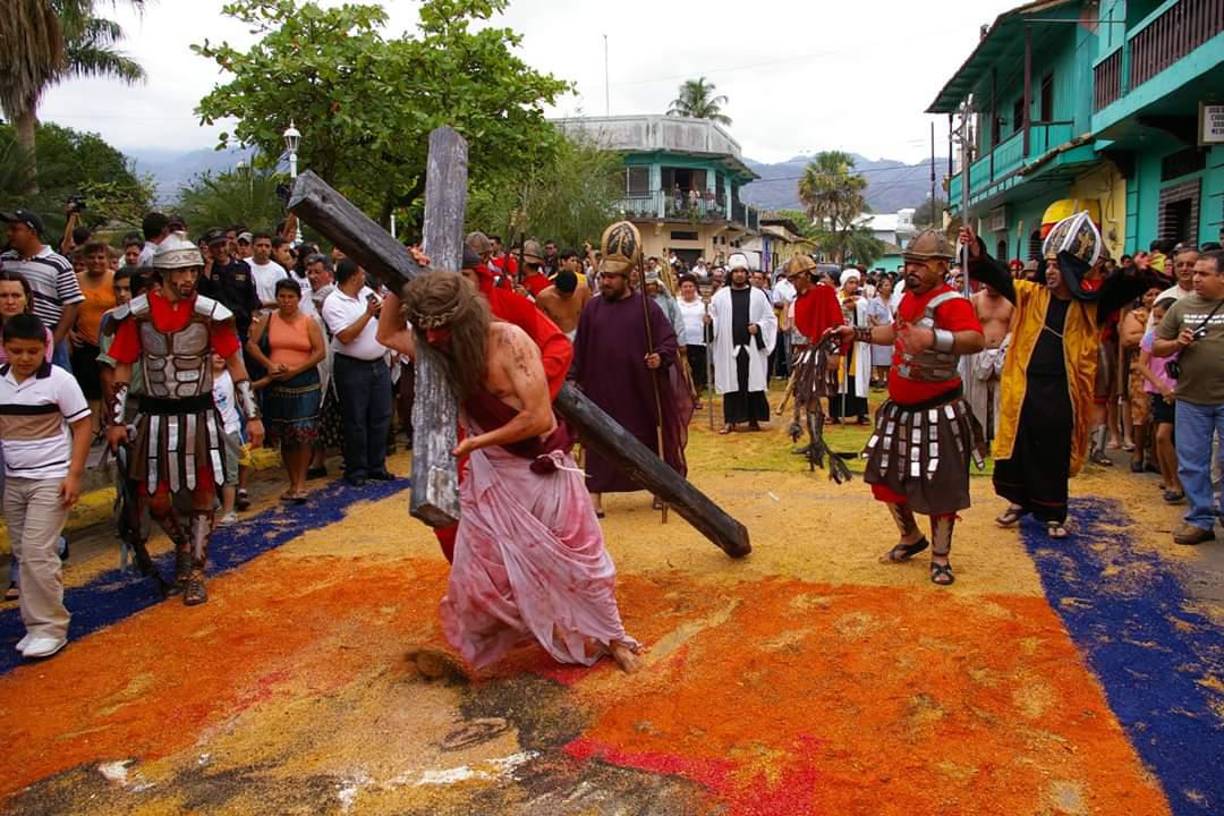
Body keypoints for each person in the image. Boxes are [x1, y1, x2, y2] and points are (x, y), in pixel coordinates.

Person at [398, 271, 639, 672]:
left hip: (541, 470)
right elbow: (388, 335)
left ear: (465, 319)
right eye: (427, 330)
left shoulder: (509, 341)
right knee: (480, 571)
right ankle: (473, 650)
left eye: (441, 329)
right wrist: (404, 279)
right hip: (492, 480)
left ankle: (613, 636)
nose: (434, 338)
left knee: (585, 564)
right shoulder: (445, 347)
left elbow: (538, 417)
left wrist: (477, 442)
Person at [964, 213, 1155, 539]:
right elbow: (997, 275)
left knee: (1052, 447)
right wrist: (978, 252)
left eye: (1056, 267)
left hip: (1063, 391)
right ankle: (1017, 503)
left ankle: (1053, 512)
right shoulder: (1028, 294)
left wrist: (1134, 272)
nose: (1050, 272)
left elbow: (1119, 289)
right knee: (1020, 445)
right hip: (1024, 386)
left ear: (1072, 271)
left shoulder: (1091, 305)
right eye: (1048, 266)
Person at [104, 234, 265, 605]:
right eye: (180, 270)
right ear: (162, 273)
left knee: (203, 495)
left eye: (192, 269)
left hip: (199, 413)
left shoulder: (212, 313)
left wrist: (251, 416)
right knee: (155, 500)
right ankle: (180, 544)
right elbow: (123, 369)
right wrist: (114, 421)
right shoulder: (137, 315)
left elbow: (238, 368)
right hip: (154, 416)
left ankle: (196, 569)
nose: (188, 277)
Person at [826, 229, 985, 585]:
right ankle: (911, 537)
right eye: (907, 263)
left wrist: (933, 338)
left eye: (919, 264)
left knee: (941, 485)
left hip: (938, 411)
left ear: (942, 267)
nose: (910, 270)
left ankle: (941, 556)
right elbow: (894, 333)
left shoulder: (952, 302)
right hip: (899, 410)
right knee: (886, 478)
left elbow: (976, 339)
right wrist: (858, 334)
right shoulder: (908, 300)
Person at [573, 222, 690, 516]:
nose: (605, 282)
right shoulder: (592, 309)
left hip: (638, 390)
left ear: (627, 279)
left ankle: (660, 488)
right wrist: (574, 377)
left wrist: (659, 358)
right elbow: (580, 347)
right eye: (603, 276)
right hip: (600, 390)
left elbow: (668, 341)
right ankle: (595, 497)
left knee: (646, 440)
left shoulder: (647, 309)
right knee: (597, 442)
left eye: (611, 277)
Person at [0, 314, 91, 658]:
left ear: (45, 349)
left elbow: (82, 425)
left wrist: (74, 474)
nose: (24, 358)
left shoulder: (59, 381)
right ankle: (34, 622)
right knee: (24, 552)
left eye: (32, 352)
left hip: (50, 477)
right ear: (5, 349)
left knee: (39, 551)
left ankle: (50, 626)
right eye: (17, 351)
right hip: (15, 477)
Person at [1152, 250, 1224, 546]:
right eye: (1195, 272)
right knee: (1192, 461)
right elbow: (1155, 346)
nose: (1195, 278)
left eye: (1204, 273)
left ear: (1222, 277)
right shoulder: (1180, 308)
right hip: (1191, 399)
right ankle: (1200, 519)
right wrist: (1174, 343)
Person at [247, 278, 326, 501]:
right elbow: (251, 345)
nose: (286, 301)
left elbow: (319, 352)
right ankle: (292, 482)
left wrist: (296, 369)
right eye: (282, 296)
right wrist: (269, 365)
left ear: (298, 299)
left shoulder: (309, 321)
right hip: (277, 382)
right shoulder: (268, 319)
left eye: (290, 297)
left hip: (305, 383)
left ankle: (301, 483)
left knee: (302, 433)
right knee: (285, 434)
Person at [321, 258, 393, 486]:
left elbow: (385, 314)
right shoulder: (333, 303)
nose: (364, 276)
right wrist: (368, 314)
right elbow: (345, 336)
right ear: (352, 276)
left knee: (381, 416)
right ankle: (356, 469)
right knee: (355, 419)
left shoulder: (367, 293)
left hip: (378, 363)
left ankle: (377, 465)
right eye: (361, 272)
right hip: (351, 366)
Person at [0, 209, 83, 372]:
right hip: (11, 339)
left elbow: (72, 303)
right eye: (8, 229)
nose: (9, 234)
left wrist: (54, 339)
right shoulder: (5, 260)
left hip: (46, 336)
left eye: (15, 229)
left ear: (32, 232)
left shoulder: (58, 263)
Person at [709, 253, 776, 433]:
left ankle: (753, 419)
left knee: (752, 382)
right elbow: (713, 318)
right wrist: (710, 323)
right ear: (731, 274)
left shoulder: (758, 295)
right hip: (729, 348)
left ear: (747, 274)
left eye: (742, 271)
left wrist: (759, 327)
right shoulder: (720, 296)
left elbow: (770, 319)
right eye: (736, 271)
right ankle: (730, 420)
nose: (739, 274)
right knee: (731, 383)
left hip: (751, 347)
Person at [1137, 297, 1182, 505]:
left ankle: (1177, 481)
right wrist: (1160, 385)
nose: (1156, 321)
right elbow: (1142, 364)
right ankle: (1171, 481)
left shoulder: (1183, 335)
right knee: (1161, 436)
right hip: (1159, 390)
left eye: (1161, 317)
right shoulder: (1151, 336)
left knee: (1173, 438)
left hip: (1181, 391)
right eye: (1155, 317)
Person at [69, 241, 116, 438]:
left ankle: (111, 421)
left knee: (111, 383)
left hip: (111, 340)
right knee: (89, 387)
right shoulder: (76, 279)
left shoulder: (115, 279)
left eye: (100, 257)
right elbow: (68, 307)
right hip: (85, 340)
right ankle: (94, 428)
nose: (96, 261)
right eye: (91, 257)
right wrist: (69, 332)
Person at [963, 281, 1013, 444]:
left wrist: (1003, 349)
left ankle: (1000, 438)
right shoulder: (975, 300)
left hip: (1003, 353)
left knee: (1002, 399)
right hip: (979, 354)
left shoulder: (1011, 302)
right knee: (976, 398)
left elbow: (1013, 330)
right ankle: (978, 439)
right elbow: (969, 326)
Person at [831, 269, 870, 424]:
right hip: (840, 343)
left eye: (856, 282)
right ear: (844, 283)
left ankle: (860, 413)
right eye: (850, 282)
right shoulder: (836, 298)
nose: (853, 286)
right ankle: (835, 412)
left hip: (856, 344)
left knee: (857, 376)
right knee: (838, 377)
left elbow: (864, 317)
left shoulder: (862, 301)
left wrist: (856, 308)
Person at [533, 251, 590, 341]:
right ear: (556, 288)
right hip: (556, 335)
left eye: (570, 295)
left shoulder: (583, 290)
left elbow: (589, 316)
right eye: (563, 295)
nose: (567, 298)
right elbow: (537, 323)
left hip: (578, 334)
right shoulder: (543, 297)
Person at [676, 276, 708, 403]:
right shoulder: (676, 302)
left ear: (695, 288)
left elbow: (711, 318)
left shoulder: (703, 303)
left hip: (698, 341)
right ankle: (684, 397)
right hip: (681, 341)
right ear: (681, 288)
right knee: (682, 370)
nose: (688, 289)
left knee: (698, 370)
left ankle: (696, 396)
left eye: (690, 286)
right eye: (685, 286)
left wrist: (708, 320)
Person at [866, 277, 895, 386]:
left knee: (890, 356)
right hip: (879, 330)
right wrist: (880, 326)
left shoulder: (894, 299)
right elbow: (871, 316)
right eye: (886, 285)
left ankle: (889, 378)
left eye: (889, 285)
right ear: (880, 289)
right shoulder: (874, 301)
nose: (889, 288)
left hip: (892, 330)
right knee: (879, 356)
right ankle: (880, 378)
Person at [248, 232, 289, 309]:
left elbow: (285, 298)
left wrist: (263, 304)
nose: (263, 249)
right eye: (260, 245)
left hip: (271, 316)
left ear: (271, 249)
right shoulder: (243, 266)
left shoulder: (279, 271)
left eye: (267, 246)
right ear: (252, 247)